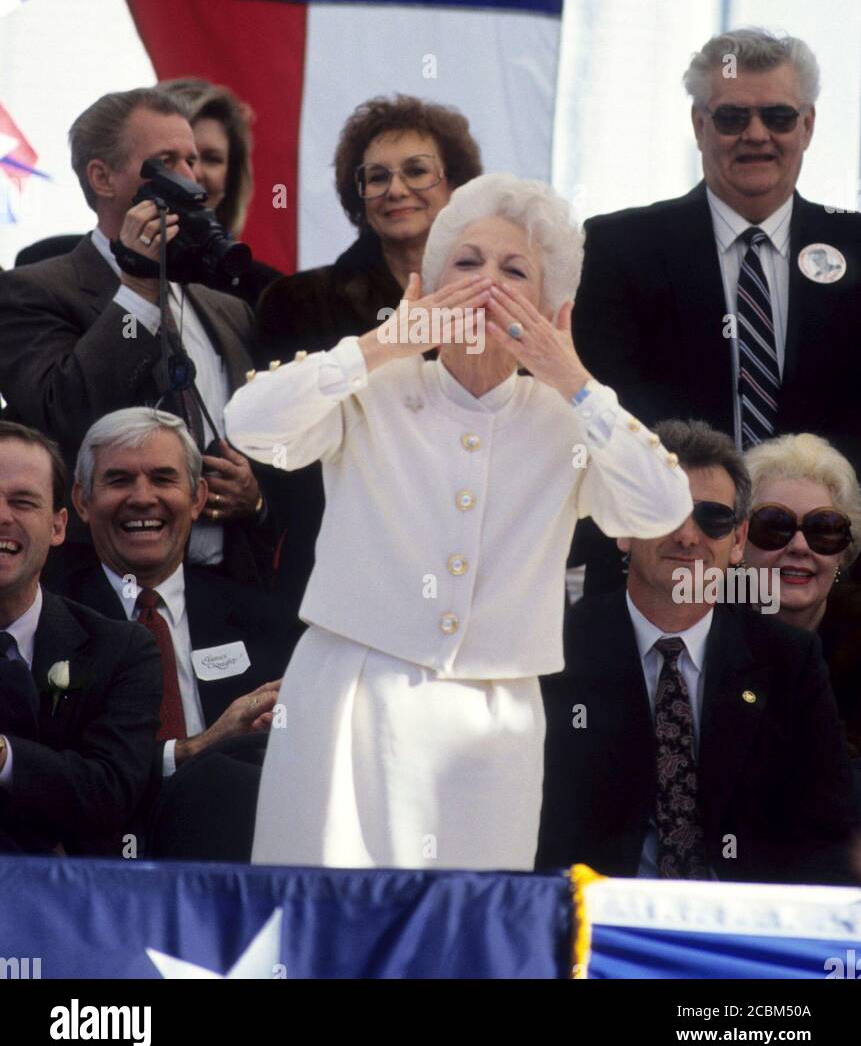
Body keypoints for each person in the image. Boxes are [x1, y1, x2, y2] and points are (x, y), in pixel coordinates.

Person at [226, 173, 693, 871]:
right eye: (466, 263)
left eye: (513, 272)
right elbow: (250, 424)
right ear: (429, 284)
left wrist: (573, 380)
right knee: (327, 922)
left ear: (548, 305)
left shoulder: (568, 418)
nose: (485, 284)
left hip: (493, 721)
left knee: (462, 931)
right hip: (348, 695)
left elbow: (660, 507)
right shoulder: (372, 387)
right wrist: (382, 344)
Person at [571, 28, 861, 593]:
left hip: (831, 581)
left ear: (808, 124)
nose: (756, 135)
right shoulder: (617, 247)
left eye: (778, 116)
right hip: (669, 567)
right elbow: (607, 416)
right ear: (699, 125)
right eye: (732, 118)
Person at [537, 420, 858, 885]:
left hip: (741, 934)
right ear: (623, 527)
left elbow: (829, 834)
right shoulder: (557, 650)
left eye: (713, 518)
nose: (688, 536)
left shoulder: (790, 660)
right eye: (665, 512)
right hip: (595, 929)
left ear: (738, 541)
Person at [0, 87, 279, 589]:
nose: (191, 180)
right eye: (166, 162)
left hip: (224, 593)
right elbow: (62, 414)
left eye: (193, 161)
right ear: (102, 177)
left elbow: (271, 443)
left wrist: (255, 494)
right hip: (93, 599)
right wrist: (136, 287)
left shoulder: (228, 310)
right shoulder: (31, 292)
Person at [256, 93, 484, 617]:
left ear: (454, 184)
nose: (395, 189)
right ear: (358, 194)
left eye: (416, 171)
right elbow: (283, 453)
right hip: (342, 565)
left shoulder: (497, 299)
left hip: (473, 565)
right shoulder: (299, 302)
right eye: (376, 177)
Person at [67, 408, 297, 797]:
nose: (142, 498)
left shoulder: (268, 624)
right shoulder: (44, 622)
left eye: (163, 478)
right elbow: (51, 769)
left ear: (197, 498)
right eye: (119, 480)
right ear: (83, 500)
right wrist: (195, 749)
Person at [0, 423, 161, 855]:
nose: (2, 516)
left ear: (58, 526)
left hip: (66, 906)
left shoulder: (122, 650)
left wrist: (3, 757)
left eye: (22, 501)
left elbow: (109, 793)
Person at [744, 432, 861, 759]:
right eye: (773, 526)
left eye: (823, 529)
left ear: (843, 552)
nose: (798, 546)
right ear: (738, 543)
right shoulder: (695, 643)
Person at [159, 76, 283, 308]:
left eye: (211, 159)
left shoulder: (268, 292)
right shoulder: (85, 269)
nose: (193, 173)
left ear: (231, 179)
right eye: (173, 158)